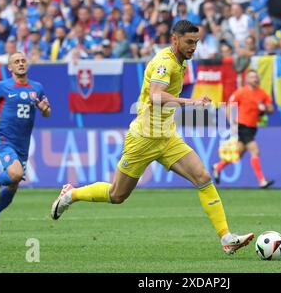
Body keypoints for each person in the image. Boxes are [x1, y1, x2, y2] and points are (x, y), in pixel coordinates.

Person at [50, 20, 254, 255]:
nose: (193, 47)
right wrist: (191, 102)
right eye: (189, 42)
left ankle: (226, 238)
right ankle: (71, 194)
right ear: (174, 39)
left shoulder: (181, 61)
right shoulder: (164, 63)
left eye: (196, 42)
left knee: (203, 176)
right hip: (144, 138)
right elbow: (156, 96)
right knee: (117, 195)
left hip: (166, 136)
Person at [0, 52, 51, 233]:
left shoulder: (37, 87)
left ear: (27, 64)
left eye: (23, 60)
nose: (20, 64)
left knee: (13, 186)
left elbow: (47, 111)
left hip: (23, 144)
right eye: (16, 62)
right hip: (5, 139)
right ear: (9, 67)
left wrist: (44, 109)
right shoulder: (3, 86)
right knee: (16, 174)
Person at [213, 69, 275, 188]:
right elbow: (228, 107)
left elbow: (271, 109)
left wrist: (265, 108)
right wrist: (232, 123)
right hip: (242, 125)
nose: (255, 79)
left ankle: (218, 167)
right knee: (254, 150)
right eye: (252, 77)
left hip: (252, 127)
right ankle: (262, 181)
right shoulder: (241, 92)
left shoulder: (262, 93)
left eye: (256, 77)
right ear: (247, 79)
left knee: (238, 153)